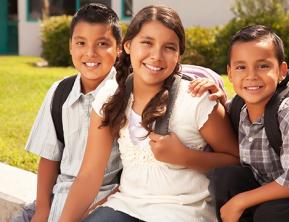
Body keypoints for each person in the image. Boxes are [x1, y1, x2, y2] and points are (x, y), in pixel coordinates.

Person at [59, 5, 239, 222]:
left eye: (169, 47)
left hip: (183, 210)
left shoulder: (196, 100)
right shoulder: (110, 96)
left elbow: (236, 161)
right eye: (147, 43)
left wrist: (186, 157)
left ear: (179, 55)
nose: (156, 56)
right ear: (127, 45)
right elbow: (89, 175)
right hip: (128, 205)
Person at [190, 25, 289, 222]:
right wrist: (216, 101)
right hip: (267, 197)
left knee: (271, 214)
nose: (251, 75)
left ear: (281, 71)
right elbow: (221, 121)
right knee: (226, 177)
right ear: (230, 73)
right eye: (241, 67)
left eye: (263, 66)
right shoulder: (239, 108)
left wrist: (241, 201)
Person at [12, 3, 123, 222]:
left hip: (105, 202)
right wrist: (43, 210)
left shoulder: (125, 96)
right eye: (81, 43)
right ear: (71, 47)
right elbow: (49, 157)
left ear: (119, 49)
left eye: (102, 44)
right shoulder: (60, 92)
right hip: (56, 198)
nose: (90, 53)